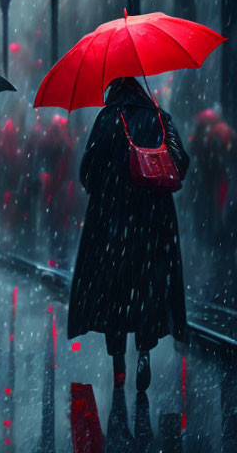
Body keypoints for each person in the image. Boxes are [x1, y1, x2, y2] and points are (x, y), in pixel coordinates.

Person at [68, 77, 189, 391]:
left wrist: (106, 190)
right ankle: (145, 352)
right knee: (147, 286)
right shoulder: (160, 117)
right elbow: (182, 164)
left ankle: (118, 360)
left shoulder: (108, 119)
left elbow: (88, 171)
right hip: (153, 222)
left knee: (116, 290)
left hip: (114, 223)